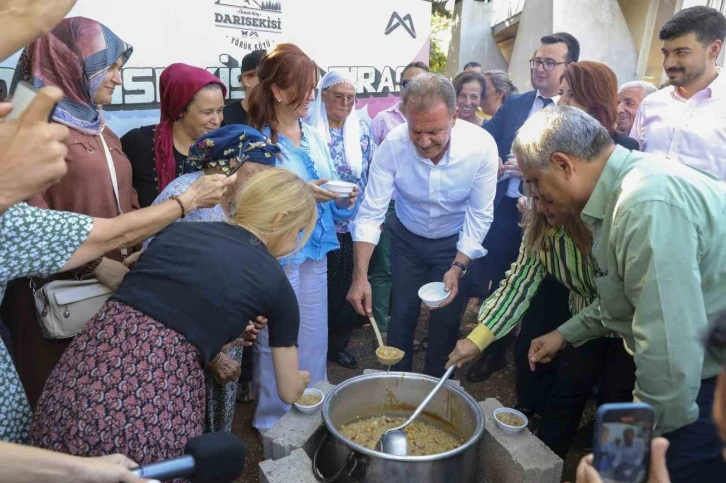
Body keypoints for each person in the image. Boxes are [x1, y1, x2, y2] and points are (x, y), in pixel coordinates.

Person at [28, 168, 313, 467]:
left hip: (77, 378)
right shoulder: (276, 283)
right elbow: (288, 390)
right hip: (151, 402)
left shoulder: (179, 232)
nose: (294, 242)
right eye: (298, 231)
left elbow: (165, 303)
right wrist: (303, 380)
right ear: (281, 219)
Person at [519, 105, 726, 482]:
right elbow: (626, 298)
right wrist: (565, 333)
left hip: (700, 387)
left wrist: (623, 457)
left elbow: (668, 357)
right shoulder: (622, 192)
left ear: (563, 165)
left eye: (534, 181)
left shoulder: (644, 204)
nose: (534, 194)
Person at [2, 16, 138, 407]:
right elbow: (25, 218)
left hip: (112, 290)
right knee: (59, 400)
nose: (118, 78)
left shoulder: (101, 129)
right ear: (69, 62)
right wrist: (97, 264)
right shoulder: (29, 134)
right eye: (109, 67)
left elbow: (124, 196)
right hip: (57, 301)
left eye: (119, 68)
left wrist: (135, 246)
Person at [446, 188, 635, 458]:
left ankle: (617, 468)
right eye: (536, 198)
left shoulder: (614, 223)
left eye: (549, 199)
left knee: (620, 402)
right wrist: (477, 339)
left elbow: (620, 301)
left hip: (629, 328)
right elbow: (517, 286)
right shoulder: (542, 227)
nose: (542, 207)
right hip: (582, 322)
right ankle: (547, 462)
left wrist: (561, 334)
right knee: (566, 393)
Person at [348, 73, 499, 377]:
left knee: (445, 319)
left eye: (434, 132)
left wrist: (459, 266)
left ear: (454, 117)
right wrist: (360, 275)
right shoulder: (392, 145)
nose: (424, 141)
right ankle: (397, 380)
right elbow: (371, 211)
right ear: (405, 115)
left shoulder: (481, 146)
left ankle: (435, 389)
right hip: (406, 239)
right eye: (416, 131)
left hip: (453, 244)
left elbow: (480, 214)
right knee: (402, 312)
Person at [247, 43, 358, 430]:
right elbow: (256, 204)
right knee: (278, 338)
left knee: (314, 332)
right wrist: (305, 191)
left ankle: (313, 408)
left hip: (316, 248)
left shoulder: (311, 133)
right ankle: (273, 421)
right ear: (278, 91)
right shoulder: (258, 141)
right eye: (306, 89)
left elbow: (326, 188)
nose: (312, 96)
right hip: (280, 254)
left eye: (314, 87)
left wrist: (344, 200)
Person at [466, 32, 580, 385]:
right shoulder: (515, 104)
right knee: (502, 278)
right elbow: (486, 141)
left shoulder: (575, 111)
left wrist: (538, 175)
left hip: (553, 214)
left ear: (568, 67)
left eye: (549, 62)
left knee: (544, 287)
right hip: (505, 209)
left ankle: (538, 356)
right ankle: (493, 351)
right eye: (536, 61)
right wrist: (499, 165)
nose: (540, 68)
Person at [148, 124, 278, 433]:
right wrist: (213, 354)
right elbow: (158, 285)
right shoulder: (187, 196)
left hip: (227, 331)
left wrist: (252, 309)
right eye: (255, 173)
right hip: (182, 337)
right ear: (230, 164)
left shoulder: (242, 199)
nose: (262, 184)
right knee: (181, 425)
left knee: (218, 426)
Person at [306, 70, 376, 369]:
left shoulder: (360, 131)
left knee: (350, 287)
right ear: (323, 95)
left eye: (351, 98)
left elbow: (372, 173)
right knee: (320, 292)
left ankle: (337, 345)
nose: (345, 103)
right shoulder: (309, 130)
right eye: (339, 96)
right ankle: (315, 346)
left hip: (353, 226)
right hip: (318, 225)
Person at [367, 61, 429, 339]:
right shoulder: (382, 120)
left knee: (411, 272)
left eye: (420, 83)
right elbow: (373, 166)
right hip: (388, 205)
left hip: (419, 208)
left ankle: (404, 330)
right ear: (399, 87)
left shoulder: (435, 120)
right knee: (383, 271)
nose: (412, 89)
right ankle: (380, 330)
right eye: (407, 83)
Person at [630, 6, 726, 180]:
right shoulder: (651, 104)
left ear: (714, 50)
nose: (669, 63)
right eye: (665, 53)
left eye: (681, 52)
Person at [121, 63, 227, 207]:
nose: (216, 120)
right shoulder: (139, 143)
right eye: (207, 112)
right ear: (181, 110)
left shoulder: (227, 147)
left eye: (220, 110)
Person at [558, 61, 639, 150]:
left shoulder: (623, 147)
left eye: (572, 95)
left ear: (597, 99)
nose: (561, 102)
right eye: (560, 93)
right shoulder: (551, 140)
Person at [223, 49, 265, 126]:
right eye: (265, 76)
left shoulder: (283, 115)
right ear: (247, 79)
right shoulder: (225, 116)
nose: (273, 82)